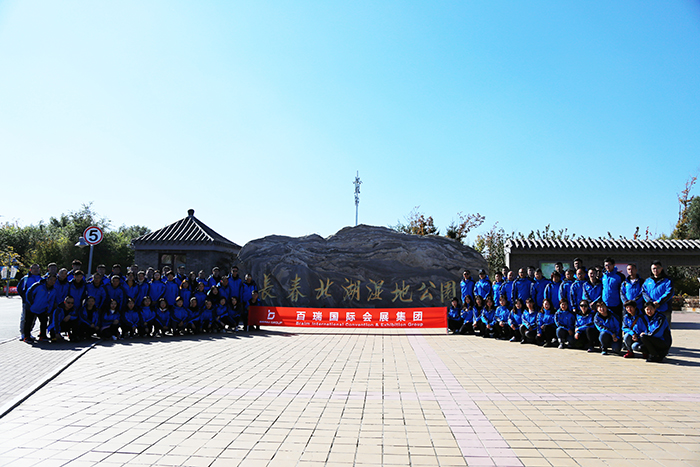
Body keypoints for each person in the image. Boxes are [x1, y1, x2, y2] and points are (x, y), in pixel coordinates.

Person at [25, 274, 58, 342]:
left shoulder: (53, 290)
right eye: (51, 279)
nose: (52, 281)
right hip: (32, 308)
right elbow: (29, 294)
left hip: (43, 309)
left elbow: (51, 301)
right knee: (29, 322)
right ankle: (26, 337)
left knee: (44, 322)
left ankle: (42, 336)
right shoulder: (38, 285)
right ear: (47, 279)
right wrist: (32, 304)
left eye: (54, 280)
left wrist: (49, 310)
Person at [642, 261, 674, 325]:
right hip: (651, 310)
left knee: (664, 328)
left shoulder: (667, 280)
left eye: (658, 268)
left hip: (664, 309)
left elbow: (669, 292)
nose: (656, 270)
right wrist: (651, 303)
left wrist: (659, 302)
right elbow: (644, 292)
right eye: (654, 268)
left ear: (661, 268)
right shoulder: (647, 281)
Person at [17, 263, 42, 341]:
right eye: (34, 268)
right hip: (27, 302)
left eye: (37, 268)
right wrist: (24, 297)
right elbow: (19, 289)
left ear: (39, 269)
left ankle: (29, 332)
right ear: (30, 269)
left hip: (37, 302)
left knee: (33, 319)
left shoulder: (41, 279)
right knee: (24, 318)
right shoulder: (26, 278)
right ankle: (23, 334)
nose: (35, 270)